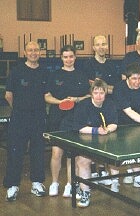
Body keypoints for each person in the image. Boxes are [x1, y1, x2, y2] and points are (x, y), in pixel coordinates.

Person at [3, 41, 47, 201]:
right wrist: (21, 109)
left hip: (38, 117)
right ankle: (13, 185)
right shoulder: (16, 71)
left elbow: (47, 95)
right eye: (30, 50)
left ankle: (37, 183)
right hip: (19, 118)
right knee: (16, 151)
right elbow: (8, 95)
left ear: (40, 53)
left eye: (36, 50)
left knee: (38, 150)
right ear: (25, 52)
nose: (34, 52)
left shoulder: (44, 72)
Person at [45, 45, 90, 198]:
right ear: (61, 58)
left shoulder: (82, 75)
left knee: (72, 153)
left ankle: (70, 184)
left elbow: (89, 96)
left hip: (75, 118)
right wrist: (60, 102)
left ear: (75, 57)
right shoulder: (54, 75)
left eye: (71, 56)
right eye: (65, 57)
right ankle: (54, 183)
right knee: (56, 153)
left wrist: (77, 99)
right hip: (57, 117)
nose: (69, 59)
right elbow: (47, 96)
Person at [73, 79, 118, 208]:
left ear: (106, 94)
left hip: (102, 138)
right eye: (96, 92)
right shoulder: (83, 105)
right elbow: (79, 127)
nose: (99, 96)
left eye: (102, 93)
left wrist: (107, 129)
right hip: (84, 137)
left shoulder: (110, 104)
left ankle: (114, 181)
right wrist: (96, 130)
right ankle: (85, 192)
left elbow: (114, 123)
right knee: (82, 161)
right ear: (91, 93)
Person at [82, 35, 121, 179]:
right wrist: (104, 88)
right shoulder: (88, 65)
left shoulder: (111, 65)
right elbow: (91, 85)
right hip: (93, 106)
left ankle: (104, 170)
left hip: (108, 106)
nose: (101, 47)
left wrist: (102, 86)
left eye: (104, 44)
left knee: (106, 138)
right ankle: (93, 170)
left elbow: (114, 88)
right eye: (98, 44)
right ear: (93, 48)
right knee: (93, 139)